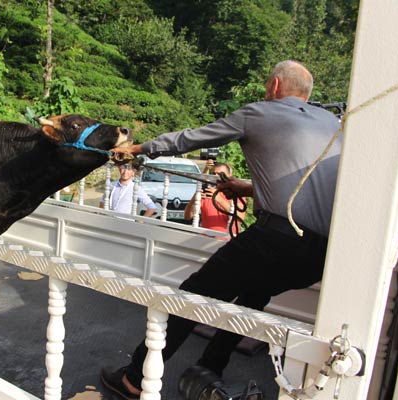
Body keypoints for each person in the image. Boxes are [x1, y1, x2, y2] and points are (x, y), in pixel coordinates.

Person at [101, 60, 342, 398]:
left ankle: (133, 379)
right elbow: (309, 186)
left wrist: (137, 149)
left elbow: (189, 139)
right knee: (254, 294)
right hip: (320, 256)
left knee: (191, 297)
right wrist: (248, 188)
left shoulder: (259, 112)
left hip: (276, 240)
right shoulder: (331, 123)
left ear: (274, 85)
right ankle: (210, 368)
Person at [183, 161, 246, 236]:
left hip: (228, 241)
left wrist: (219, 199)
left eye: (220, 174)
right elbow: (187, 217)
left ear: (230, 176)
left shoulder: (237, 194)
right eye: (214, 174)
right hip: (205, 240)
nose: (216, 177)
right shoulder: (207, 192)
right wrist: (194, 199)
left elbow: (240, 217)